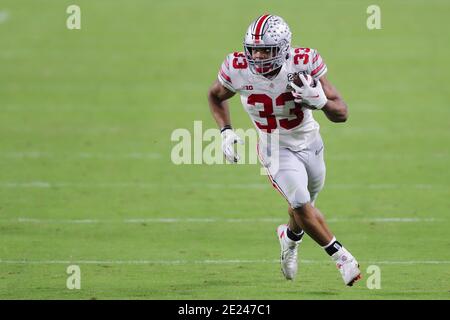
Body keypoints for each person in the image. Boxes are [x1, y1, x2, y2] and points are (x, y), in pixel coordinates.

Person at [207, 14, 361, 286]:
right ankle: (342, 258)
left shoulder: (303, 62)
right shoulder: (237, 67)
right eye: (254, 49)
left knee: (303, 209)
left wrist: (322, 102)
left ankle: (289, 239)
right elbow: (215, 95)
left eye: (266, 49)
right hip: (274, 147)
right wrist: (226, 131)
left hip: (310, 143)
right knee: (301, 202)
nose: (258, 55)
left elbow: (342, 113)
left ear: (283, 48)